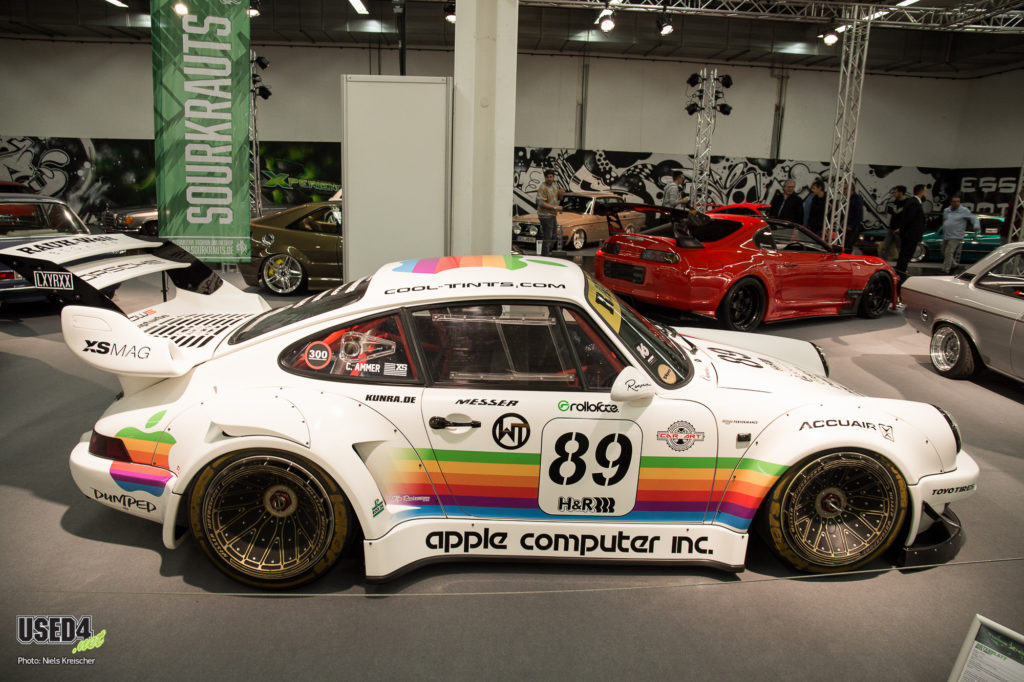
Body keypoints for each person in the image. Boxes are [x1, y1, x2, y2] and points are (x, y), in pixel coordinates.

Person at [939, 195, 980, 274]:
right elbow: (945, 221)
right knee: (943, 251)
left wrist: (976, 226)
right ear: (951, 202)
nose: (956, 203)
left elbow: (973, 218)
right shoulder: (946, 210)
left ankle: (945, 270)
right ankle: (954, 265)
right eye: (954, 201)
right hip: (947, 234)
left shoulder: (964, 210)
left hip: (956, 235)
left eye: (958, 201)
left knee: (949, 252)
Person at [895, 184, 926, 284]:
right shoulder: (914, 203)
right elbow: (908, 219)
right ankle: (900, 273)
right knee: (905, 255)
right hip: (910, 234)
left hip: (909, 234)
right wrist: (902, 229)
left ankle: (900, 271)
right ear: (922, 191)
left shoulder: (912, 202)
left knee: (905, 254)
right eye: (925, 191)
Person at [535, 169, 564, 256]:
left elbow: (559, 198)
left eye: (551, 177)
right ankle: (545, 256)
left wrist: (561, 193)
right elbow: (540, 203)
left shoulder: (554, 185)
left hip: (552, 215)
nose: (549, 179)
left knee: (554, 236)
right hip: (545, 216)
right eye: (547, 177)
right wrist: (555, 207)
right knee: (548, 237)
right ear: (545, 178)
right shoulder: (542, 187)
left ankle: (547, 253)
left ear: (553, 177)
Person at [879, 185, 906, 262]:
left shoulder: (907, 203)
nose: (894, 194)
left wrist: (901, 228)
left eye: (895, 192)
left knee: (900, 248)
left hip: (900, 229)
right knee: (885, 247)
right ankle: (882, 262)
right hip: (892, 227)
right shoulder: (895, 201)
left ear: (901, 192)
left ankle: (902, 263)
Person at [844, 183, 864, 253]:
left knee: (848, 245)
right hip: (847, 225)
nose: (843, 191)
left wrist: (851, 226)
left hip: (852, 227)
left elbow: (859, 214)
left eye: (845, 189)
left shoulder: (857, 199)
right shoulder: (847, 199)